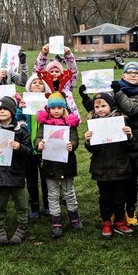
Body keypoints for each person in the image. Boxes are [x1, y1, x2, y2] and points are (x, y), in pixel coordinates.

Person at [85, 92, 135, 239]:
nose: (100, 109)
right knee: (105, 197)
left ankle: (119, 221)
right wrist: (88, 141)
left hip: (120, 167)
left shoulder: (120, 121)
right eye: (97, 107)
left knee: (120, 197)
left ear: (110, 106)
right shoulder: (93, 124)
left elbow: (129, 146)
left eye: (103, 106)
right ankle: (106, 221)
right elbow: (92, 150)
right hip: (101, 169)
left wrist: (130, 135)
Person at [0, 96, 33, 245]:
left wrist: (19, 147)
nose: (2, 112)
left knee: (21, 203)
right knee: (0, 203)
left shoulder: (21, 131)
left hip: (17, 172)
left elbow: (29, 152)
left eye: (5, 109)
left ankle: (22, 226)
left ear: (12, 112)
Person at [34, 91, 81, 238]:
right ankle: (56, 219)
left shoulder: (69, 124)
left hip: (66, 164)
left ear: (64, 109)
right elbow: (38, 138)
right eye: (53, 108)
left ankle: (74, 215)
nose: (56, 111)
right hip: (49, 164)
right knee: (52, 193)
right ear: (48, 109)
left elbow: (75, 139)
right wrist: (39, 145)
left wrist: (71, 145)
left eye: (59, 108)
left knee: (69, 191)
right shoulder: (44, 125)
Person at [111, 61, 138, 226]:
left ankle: (130, 210)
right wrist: (85, 97)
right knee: (115, 180)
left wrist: (118, 93)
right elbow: (104, 109)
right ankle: (116, 211)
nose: (133, 75)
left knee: (131, 180)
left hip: (134, 144)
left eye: (136, 73)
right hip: (115, 143)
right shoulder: (114, 91)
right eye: (129, 72)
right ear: (123, 75)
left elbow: (132, 110)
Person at [17, 74, 51, 219]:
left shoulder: (49, 102)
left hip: (45, 147)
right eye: (34, 83)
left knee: (46, 179)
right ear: (29, 87)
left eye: (40, 83)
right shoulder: (26, 102)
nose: (37, 85)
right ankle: (34, 205)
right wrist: (20, 108)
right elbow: (18, 119)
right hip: (29, 148)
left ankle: (48, 205)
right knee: (31, 179)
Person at [34, 43, 80, 115]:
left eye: (57, 71)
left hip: (68, 116)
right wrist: (43, 55)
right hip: (49, 118)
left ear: (61, 73)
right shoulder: (44, 85)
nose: (54, 73)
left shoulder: (68, 84)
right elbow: (37, 72)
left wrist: (68, 55)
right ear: (47, 73)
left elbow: (73, 71)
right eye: (51, 71)